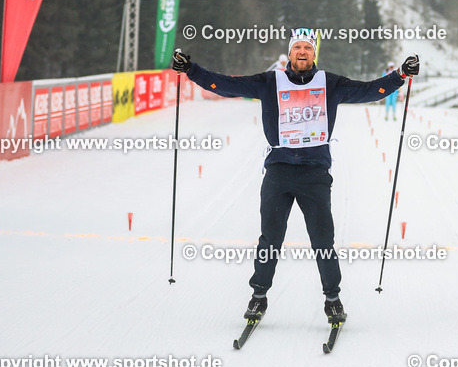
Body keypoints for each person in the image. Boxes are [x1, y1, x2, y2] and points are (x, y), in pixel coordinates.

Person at [172, 31, 419, 326]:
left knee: (323, 240)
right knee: (270, 240)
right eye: (297, 47)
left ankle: (332, 299)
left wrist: (400, 75)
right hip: (279, 170)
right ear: (289, 54)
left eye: (308, 48)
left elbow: (370, 91)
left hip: (314, 172)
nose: (302, 52)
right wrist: (191, 69)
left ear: (314, 54)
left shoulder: (330, 83)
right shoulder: (269, 82)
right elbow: (225, 86)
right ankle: (259, 296)